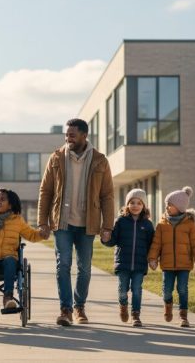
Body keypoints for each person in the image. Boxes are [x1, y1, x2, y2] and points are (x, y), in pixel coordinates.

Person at [38, 118, 115, 326]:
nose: (68, 138)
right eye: (66, 135)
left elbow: (107, 195)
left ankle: (79, 305)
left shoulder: (100, 160)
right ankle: (66, 309)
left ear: (84, 136)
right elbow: (45, 191)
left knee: (85, 268)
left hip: (87, 223)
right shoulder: (56, 158)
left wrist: (107, 226)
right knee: (62, 265)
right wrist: (42, 222)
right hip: (62, 222)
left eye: (72, 135)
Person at [148, 186, 195, 327]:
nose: (167, 207)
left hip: (184, 264)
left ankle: (183, 316)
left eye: (170, 205)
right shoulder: (162, 224)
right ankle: (168, 306)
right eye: (166, 204)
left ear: (180, 207)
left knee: (183, 289)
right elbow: (156, 243)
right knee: (167, 290)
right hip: (167, 264)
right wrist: (152, 258)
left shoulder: (189, 224)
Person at [101, 188, 155, 327]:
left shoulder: (148, 225)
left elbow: (152, 245)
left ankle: (136, 315)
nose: (135, 205)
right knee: (123, 289)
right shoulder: (121, 221)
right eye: (132, 202)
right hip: (123, 263)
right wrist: (106, 238)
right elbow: (113, 241)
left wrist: (153, 259)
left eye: (139, 203)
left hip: (139, 264)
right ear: (127, 205)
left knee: (137, 289)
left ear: (144, 206)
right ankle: (123, 306)